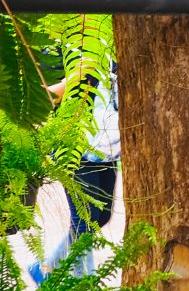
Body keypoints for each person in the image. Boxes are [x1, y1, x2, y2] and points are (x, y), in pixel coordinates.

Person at [28, 64, 120, 284]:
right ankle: (84, 282)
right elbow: (50, 95)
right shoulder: (84, 53)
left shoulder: (117, 56)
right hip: (77, 150)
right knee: (85, 221)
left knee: (102, 216)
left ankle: (46, 268)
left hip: (107, 151)